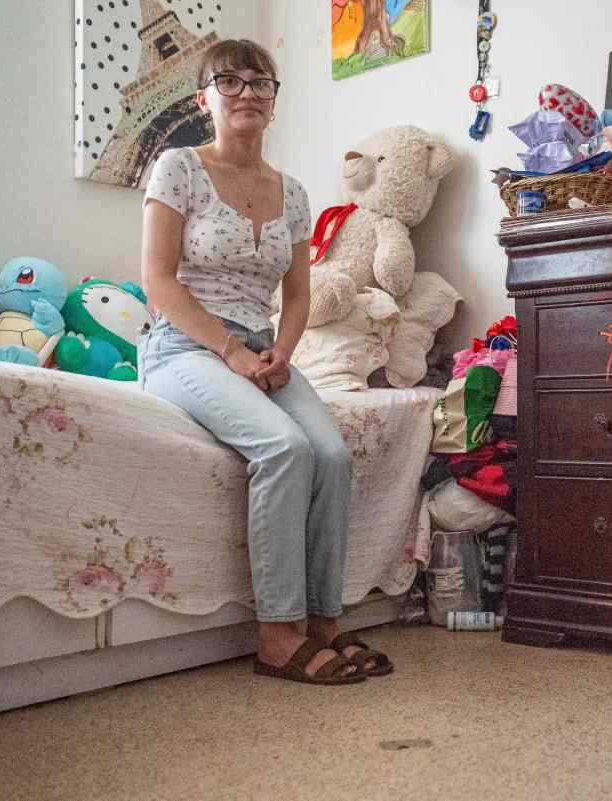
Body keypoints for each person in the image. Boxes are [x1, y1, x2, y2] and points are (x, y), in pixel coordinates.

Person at [139, 39, 392, 685]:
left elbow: (299, 294)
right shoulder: (178, 166)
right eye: (229, 80)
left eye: (261, 82)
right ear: (205, 99)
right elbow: (157, 282)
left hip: (260, 344)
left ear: (275, 101)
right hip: (184, 344)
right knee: (285, 448)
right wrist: (231, 352)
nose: (247, 91)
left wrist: (280, 351)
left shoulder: (294, 192)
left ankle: (324, 622)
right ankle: (278, 635)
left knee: (331, 452)